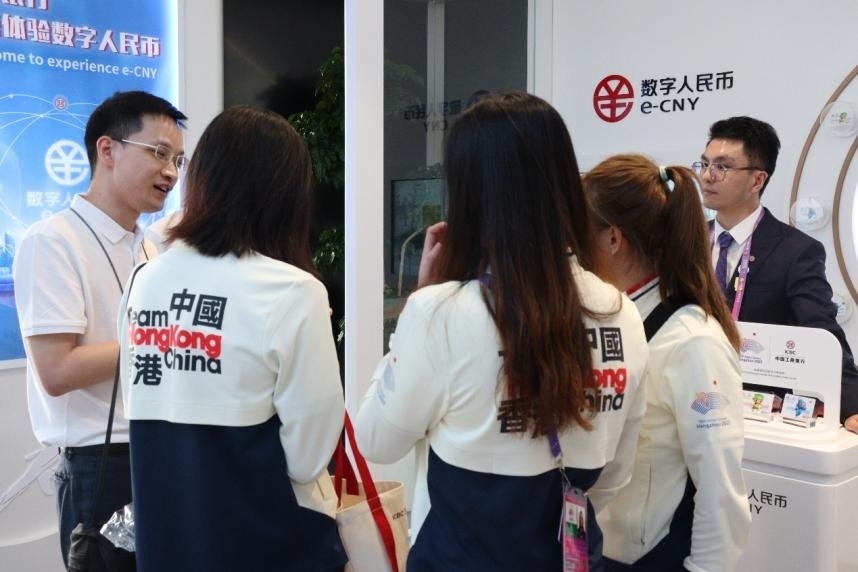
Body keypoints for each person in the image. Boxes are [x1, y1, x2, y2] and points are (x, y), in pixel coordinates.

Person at [354, 91, 649, 570]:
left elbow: (376, 440)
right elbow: (615, 474)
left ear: (470, 194)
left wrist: (414, 313)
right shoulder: (621, 312)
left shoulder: (440, 313)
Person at [117, 106, 347, 571]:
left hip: (167, 539)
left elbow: (136, 400)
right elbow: (308, 458)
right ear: (287, 193)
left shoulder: (145, 279)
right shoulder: (293, 291)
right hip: (264, 539)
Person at [12, 90, 186, 567]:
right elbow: (57, 370)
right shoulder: (52, 240)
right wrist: (165, 341)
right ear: (107, 150)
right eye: (159, 153)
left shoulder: (148, 246)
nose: (171, 172)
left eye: (178, 160)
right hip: (100, 464)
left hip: (158, 449)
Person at [583, 154, 750, 571]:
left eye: (577, 230)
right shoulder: (611, 317)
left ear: (613, 239)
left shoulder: (693, 340)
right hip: (597, 545)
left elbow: (719, 487)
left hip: (649, 556)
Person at [697, 116, 858, 434]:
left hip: (754, 414)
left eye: (722, 167)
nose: (707, 176)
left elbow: (821, 332)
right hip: (686, 400)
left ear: (757, 180)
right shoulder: (683, 242)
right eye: (704, 164)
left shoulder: (795, 251)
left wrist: (853, 405)